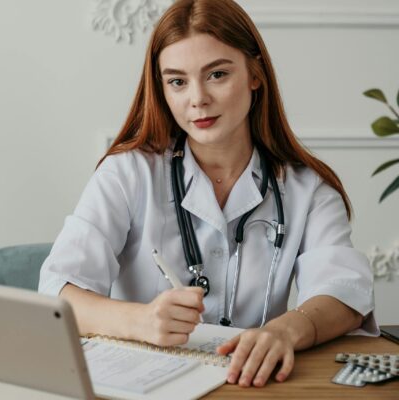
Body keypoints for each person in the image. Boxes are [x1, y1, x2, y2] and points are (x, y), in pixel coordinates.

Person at [39, 0, 378, 388]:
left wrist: (285, 331)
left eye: (216, 74)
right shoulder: (128, 174)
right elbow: (58, 292)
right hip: (147, 386)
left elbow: (345, 293)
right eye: (177, 81)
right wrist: (141, 320)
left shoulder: (307, 188)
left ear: (255, 74)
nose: (197, 98)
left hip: (255, 386)